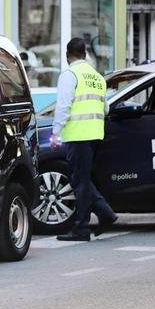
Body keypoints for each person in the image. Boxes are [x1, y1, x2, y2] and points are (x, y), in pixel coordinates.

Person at [51, 37, 118, 242]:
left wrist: (55, 133)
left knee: (79, 182)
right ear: (86, 54)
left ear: (67, 56)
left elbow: (63, 106)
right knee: (82, 179)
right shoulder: (97, 77)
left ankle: (81, 228)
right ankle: (105, 213)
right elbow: (105, 107)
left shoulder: (70, 75)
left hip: (78, 135)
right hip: (95, 134)